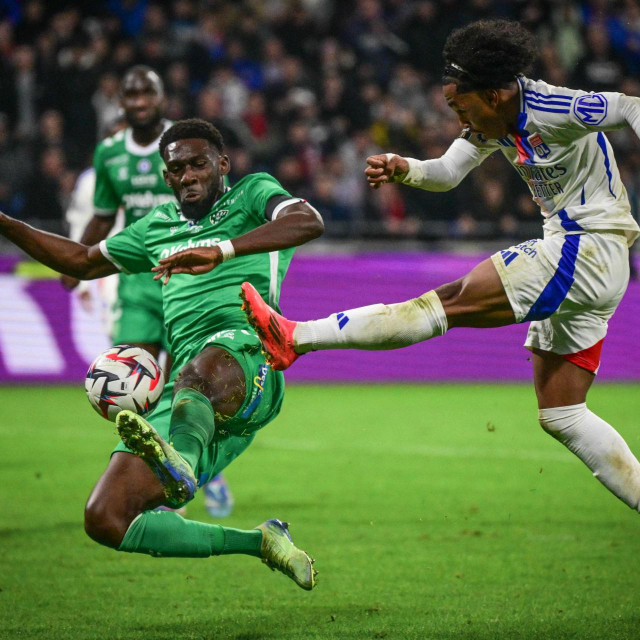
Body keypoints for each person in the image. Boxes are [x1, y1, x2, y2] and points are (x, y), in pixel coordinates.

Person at [240, 19, 640, 514]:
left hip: (588, 247)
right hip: (588, 258)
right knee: (562, 413)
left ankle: (297, 337)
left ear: (493, 95)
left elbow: (629, 107)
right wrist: (403, 167)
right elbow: (447, 173)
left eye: (459, 104)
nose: (457, 117)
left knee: (445, 303)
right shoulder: (491, 122)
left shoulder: (553, 107)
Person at [0, 118, 324, 589]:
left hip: (254, 355)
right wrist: (5, 223)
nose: (188, 175)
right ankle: (261, 541)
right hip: (190, 387)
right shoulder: (155, 228)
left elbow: (308, 221)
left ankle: (184, 468)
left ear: (222, 164)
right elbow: (82, 260)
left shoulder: (253, 194)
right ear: (166, 177)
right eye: (177, 169)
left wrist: (224, 251)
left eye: (198, 164)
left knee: (201, 367)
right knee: (106, 517)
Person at [62, 65, 233, 518]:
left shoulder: (183, 147)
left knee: (187, 388)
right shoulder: (109, 154)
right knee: (132, 384)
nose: (139, 102)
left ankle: (202, 471)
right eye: (131, 95)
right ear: (121, 102)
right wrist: (78, 261)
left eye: (147, 94)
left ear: (160, 99)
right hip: (138, 281)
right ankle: (154, 483)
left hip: (189, 279)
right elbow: (103, 214)